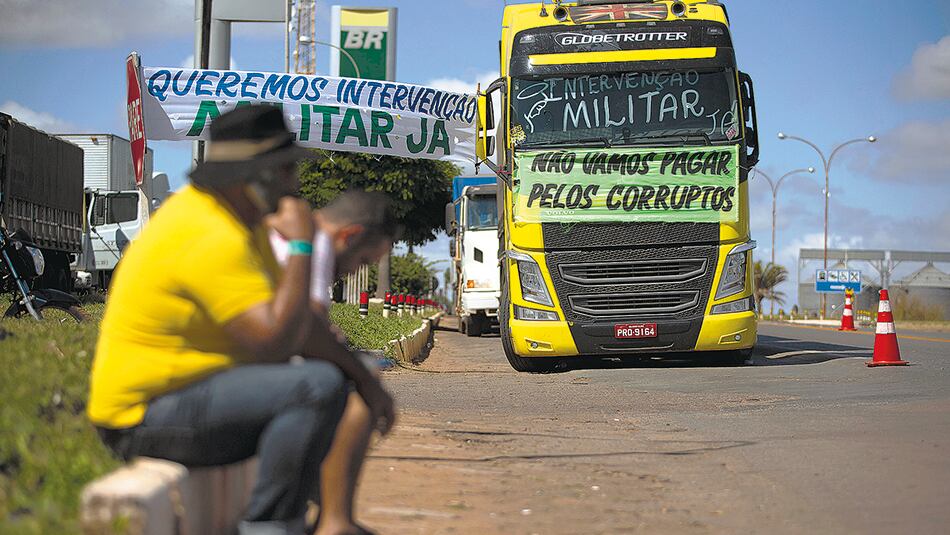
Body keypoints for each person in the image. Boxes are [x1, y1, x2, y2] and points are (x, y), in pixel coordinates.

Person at [87, 105, 392, 535]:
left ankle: (303, 521)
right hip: (142, 416)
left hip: (188, 396)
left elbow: (301, 323)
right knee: (313, 387)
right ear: (259, 176)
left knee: (330, 381)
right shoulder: (208, 232)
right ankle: (269, 526)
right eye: (287, 171)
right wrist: (304, 246)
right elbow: (274, 340)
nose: (295, 184)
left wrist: (363, 377)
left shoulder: (240, 224)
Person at [269, 191, 400, 535]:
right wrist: (369, 382)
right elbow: (307, 331)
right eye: (363, 260)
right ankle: (335, 522)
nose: (357, 270)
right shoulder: (318, 241)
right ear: (350, 235)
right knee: (357, 390)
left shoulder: (295, 234)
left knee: (345, 372)